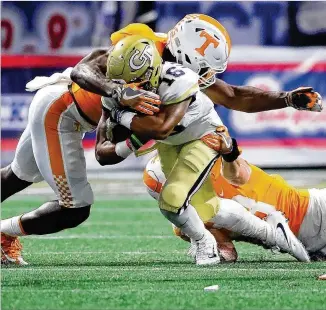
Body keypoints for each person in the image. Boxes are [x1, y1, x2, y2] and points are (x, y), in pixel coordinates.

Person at [96, 35, 310, 265]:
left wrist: (121, 115)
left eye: (131, 83)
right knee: (204, 210)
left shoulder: (179, 80)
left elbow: (161, 129)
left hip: (204, 136)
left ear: (150, 75)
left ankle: (205, 243)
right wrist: (130, 143)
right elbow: (102, 154)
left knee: (172, 199)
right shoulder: (116, 93)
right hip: (172, 143)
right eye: (118, 84)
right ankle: (273, 233)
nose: (124, 90)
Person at [143, 127, 326, 261]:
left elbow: (238, 175)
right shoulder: (188, 223)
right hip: (306, 245)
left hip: (313, 210)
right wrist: (209, 251)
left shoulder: (212, 164)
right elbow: (228, 253)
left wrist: (229, 153)